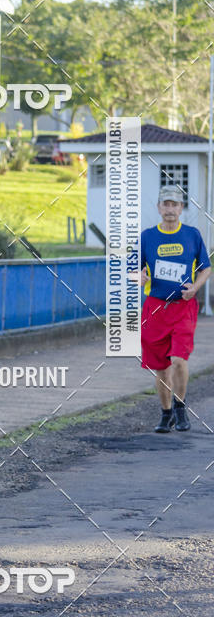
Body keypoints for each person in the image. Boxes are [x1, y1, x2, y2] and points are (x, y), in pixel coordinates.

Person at [140, 184, 211, 433]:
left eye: (175, 204)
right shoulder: (147, 236)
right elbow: (133, 268)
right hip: (155, 309)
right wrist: (139, 276)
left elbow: (205, 267)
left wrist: (196, 287)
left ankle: (181, 409)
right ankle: (165, 412)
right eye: (165, 204)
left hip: (183, 306)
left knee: (179, 359)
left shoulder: (192, 235)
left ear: (181, 208)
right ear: (159, 207)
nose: (170, 209)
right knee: (161, 366)